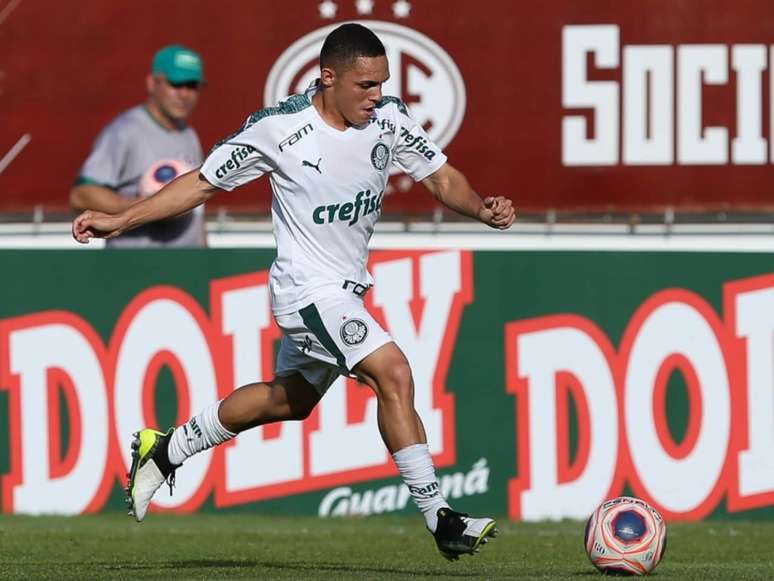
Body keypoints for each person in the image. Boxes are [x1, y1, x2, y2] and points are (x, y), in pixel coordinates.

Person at [73, 23, 515, 560]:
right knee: (393, 371)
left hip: (346, 290)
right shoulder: (279, 129)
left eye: (382, 83)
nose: (377, 96)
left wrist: (482, 209)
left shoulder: (391, 118)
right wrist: (121, 220)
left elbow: (442, 178)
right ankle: (441, 517)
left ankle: (168, 448)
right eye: (365, 85)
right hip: (305, 289)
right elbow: (200, 183)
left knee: (290, 401)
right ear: (329, 77)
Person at [69, 44, 207, 247]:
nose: (184, 94)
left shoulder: (189, 135)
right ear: (152, 83)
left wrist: (205, 255)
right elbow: (81, 195)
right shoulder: (125, 131)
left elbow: (198, 209)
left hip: (185, 267)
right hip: (136, 266)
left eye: (192, 85)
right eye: (176, 84)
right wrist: (156, 207)